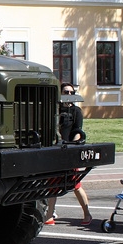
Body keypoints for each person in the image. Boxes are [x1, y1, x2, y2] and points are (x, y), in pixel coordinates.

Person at [45, 82, 93, 226]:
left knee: (75, 185)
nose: (69, 95)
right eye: (66, 92)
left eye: (71, 93)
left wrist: (73, 146)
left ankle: (87, 214)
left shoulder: (76, 111)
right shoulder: (55, 110)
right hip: (56, 152)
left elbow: (78, 131)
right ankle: (49, 215)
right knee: (52, 184)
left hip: (69, 152)